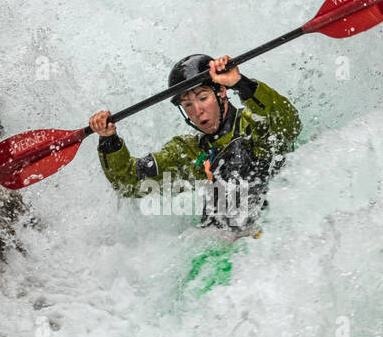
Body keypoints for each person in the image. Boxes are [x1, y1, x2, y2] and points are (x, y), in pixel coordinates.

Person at [89, 54, 301, 231]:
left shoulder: (254, 124)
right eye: (187, 104)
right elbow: (128, 182)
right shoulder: (188, 152)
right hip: (230, 246)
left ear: (221, 92)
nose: (197, 111)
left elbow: (289, 124)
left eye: (202, 98)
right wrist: (109, 140)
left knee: (238, 153)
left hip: (280, 221)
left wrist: (241, 83)